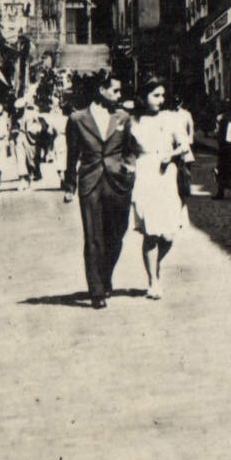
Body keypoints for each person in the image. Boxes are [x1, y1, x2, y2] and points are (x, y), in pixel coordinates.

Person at [62, 73, 136, 308]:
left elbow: (130, 149)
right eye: (115, 90)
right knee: (93, 237)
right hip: (91, 180)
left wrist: (129, 167)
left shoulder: (123, 116)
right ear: (101, 91)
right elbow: (71, 155)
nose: (119, 95)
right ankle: (96, 291)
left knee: (117, 233)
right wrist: (70, 185)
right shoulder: (77, 119)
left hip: (118, 182)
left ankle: (105, 277)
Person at [129, 79, 189, 299]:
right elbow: (126, 150)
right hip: (145, 175)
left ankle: (156, 266)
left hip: (166, 176)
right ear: (143, 96)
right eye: (156, 95)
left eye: (163, 95)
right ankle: (153, 281)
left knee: (169, 235)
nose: (161, 100)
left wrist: (170, 154)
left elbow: (184, 145)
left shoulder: (170, 119)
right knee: (151, 232)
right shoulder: (133, 122)